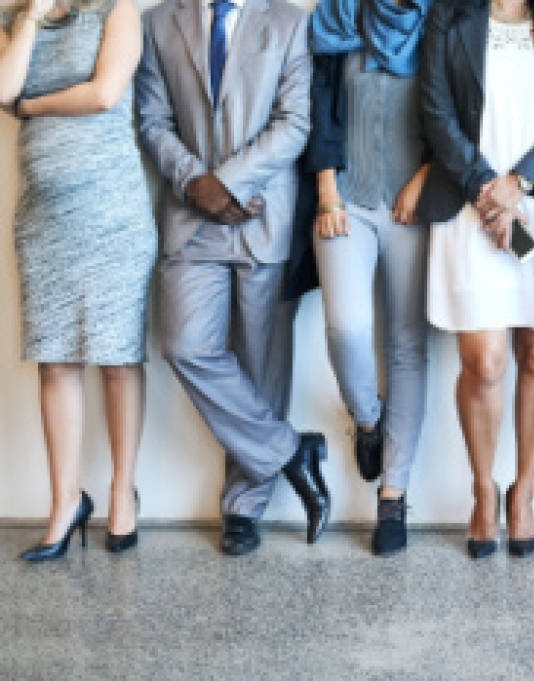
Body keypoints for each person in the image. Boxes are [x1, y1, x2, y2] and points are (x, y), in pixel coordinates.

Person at [135, 0, 329, 556]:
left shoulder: (291, 21)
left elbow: (295, 122)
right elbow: (153, 120)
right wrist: (198, 183)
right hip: (190, 219)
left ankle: (244, 504)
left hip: (262, 212)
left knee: (262, 363)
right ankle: (290, 451)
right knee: (185, 345)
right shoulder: (156, 22)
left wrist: (232, 183)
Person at [418, 0, 534, 558]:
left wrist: (521, 184)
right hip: (473, 206)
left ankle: (525, 492)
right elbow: (436, 109)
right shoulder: (449, 16)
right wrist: (487, 193)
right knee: (485, 362)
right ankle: (482, 489)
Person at [0, 0, 157, 562]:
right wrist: (29, 19)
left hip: (114, 218)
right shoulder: (12, 21)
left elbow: (104, 93)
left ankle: (121, 492)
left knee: (117, 358)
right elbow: (1, 90)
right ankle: (65, 501)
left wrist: (33, 105)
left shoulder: (117, 12)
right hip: (42, 222)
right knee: (56, 359)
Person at [305, 0, 434, 556]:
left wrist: (427, 178)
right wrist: (327, 192)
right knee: (346, 328)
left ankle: (393, 496)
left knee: (407, 346)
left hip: (417, 205)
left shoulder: (443, 21)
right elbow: (318, 106)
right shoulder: (339, 15)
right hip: (345, 204)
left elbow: (460, 111)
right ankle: (368, 421)